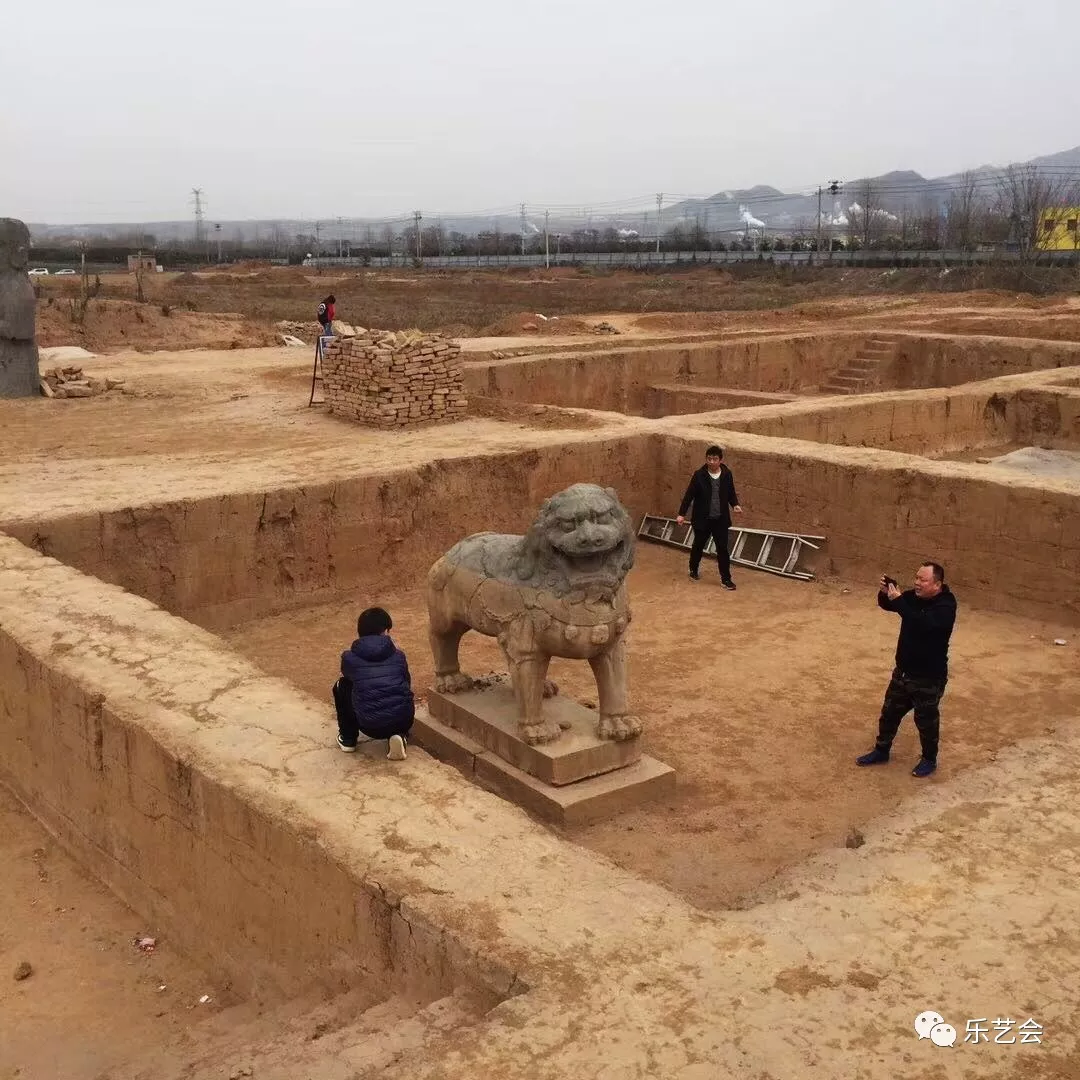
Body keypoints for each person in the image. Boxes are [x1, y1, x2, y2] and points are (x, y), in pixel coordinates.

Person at [856, 562, 957, 778]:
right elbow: (890, 605)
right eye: (917, 578)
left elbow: (922, 623)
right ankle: (881, 751)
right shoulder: (914, 597)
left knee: (926, 722)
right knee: (889, 714)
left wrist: (900, 601)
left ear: (937, 584)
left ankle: (929, 759)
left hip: (928, 679)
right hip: (903, 673)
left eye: (923, 580)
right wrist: (885, 594)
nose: (917, 583)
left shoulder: (946, 606)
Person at [333, 606, 414, 761]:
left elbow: (352, 679)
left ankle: (348, 738)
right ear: (385, 631)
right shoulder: (399, 656)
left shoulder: (349, 658)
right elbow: (407, 683)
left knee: (342, 685)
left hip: (370, 726)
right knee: (398, 683)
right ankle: (399, 735)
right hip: (403, 720)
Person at [676, 444, 743, 589]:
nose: (711, 462)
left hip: (720, 519)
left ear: (720, 460)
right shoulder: (699, 475)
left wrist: (735, 504)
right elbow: (689, 495)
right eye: (709, 459)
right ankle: (693, 569)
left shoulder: (726, 474)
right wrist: (681, 514)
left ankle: (726, 579)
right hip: (702, 519)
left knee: (723, 549)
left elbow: (730, 491)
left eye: (714, 459)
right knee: (698, 545)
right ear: (706, 459)